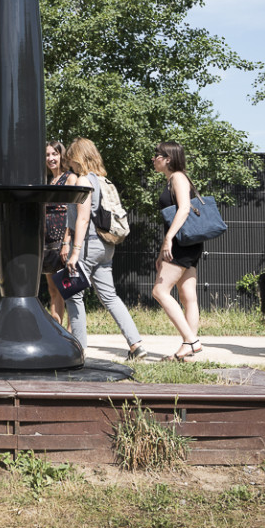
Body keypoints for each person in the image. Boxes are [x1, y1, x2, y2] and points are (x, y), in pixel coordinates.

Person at [62, 138, 147, 361]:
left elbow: (82, 219)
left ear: (78, 157)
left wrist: (74, 252)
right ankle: (136, 344)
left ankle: (78, 349)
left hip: (87, 244)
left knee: (73, 295)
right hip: (106, 245)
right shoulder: (102, 180)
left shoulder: (84, 180)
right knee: (110, 296)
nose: (70, 163)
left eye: (71, 159)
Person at [151, 141, 203, 361]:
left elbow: (183, 209)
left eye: (157, 155)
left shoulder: (178, 178)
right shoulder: (176, 178)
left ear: (168, 158)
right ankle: (187, 347)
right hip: (186, 242)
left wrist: (168, 239)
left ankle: (191, 340)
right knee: (187, 295)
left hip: (180, 241)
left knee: (160, 292)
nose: (154, 159)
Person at [43, 141, 77, 324]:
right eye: (48, 155)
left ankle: (72, 333)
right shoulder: (48, 181)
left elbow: (72, 213)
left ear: (61, 156)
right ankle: (56, 327)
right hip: (48, 240)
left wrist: (66, 242)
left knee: (68, 289)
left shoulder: (70, 178)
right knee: (52, 288)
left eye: (54, 154)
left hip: (63, 239)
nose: (51, 158)